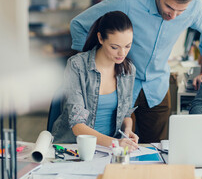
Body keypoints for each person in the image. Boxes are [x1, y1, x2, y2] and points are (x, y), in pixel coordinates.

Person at [70, 0, 202, 142]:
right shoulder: (128, 2)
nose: (173, 16)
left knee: (156, 151)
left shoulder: (195, 8)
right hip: (121, 87)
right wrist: (90, 68)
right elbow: (78, 25)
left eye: (180, 11)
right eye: (169, 7)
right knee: (121, 149)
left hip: (158, 88)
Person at [52, 11, 139, 151]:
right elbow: (77, 125)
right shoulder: (77, 66)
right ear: (100, 38)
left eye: (127, 46)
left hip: (109, 149)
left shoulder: (128, 70)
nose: (122, 53)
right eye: (115, 47)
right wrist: (115, 143)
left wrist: (127, 131)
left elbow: (126, 114)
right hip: (75, 148)